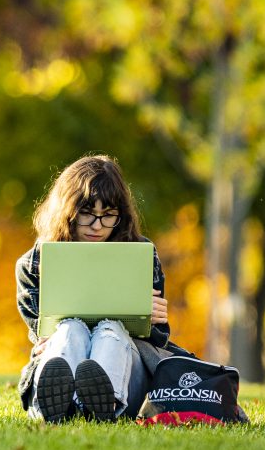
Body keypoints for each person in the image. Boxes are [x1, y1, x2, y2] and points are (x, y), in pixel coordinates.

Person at [14, 155, 174, 423]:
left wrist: (151, 317)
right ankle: (57, 404)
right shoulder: (34, 264)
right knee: (70, 329)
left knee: (111, 330)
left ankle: (102, 403)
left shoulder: (141, 255)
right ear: (67, 212)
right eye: (87, 214)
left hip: (127, 372)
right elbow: (41, 336)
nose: (97, 226)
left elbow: (157, 339)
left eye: (107, 215)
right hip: (66, 350)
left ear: (119, 215)